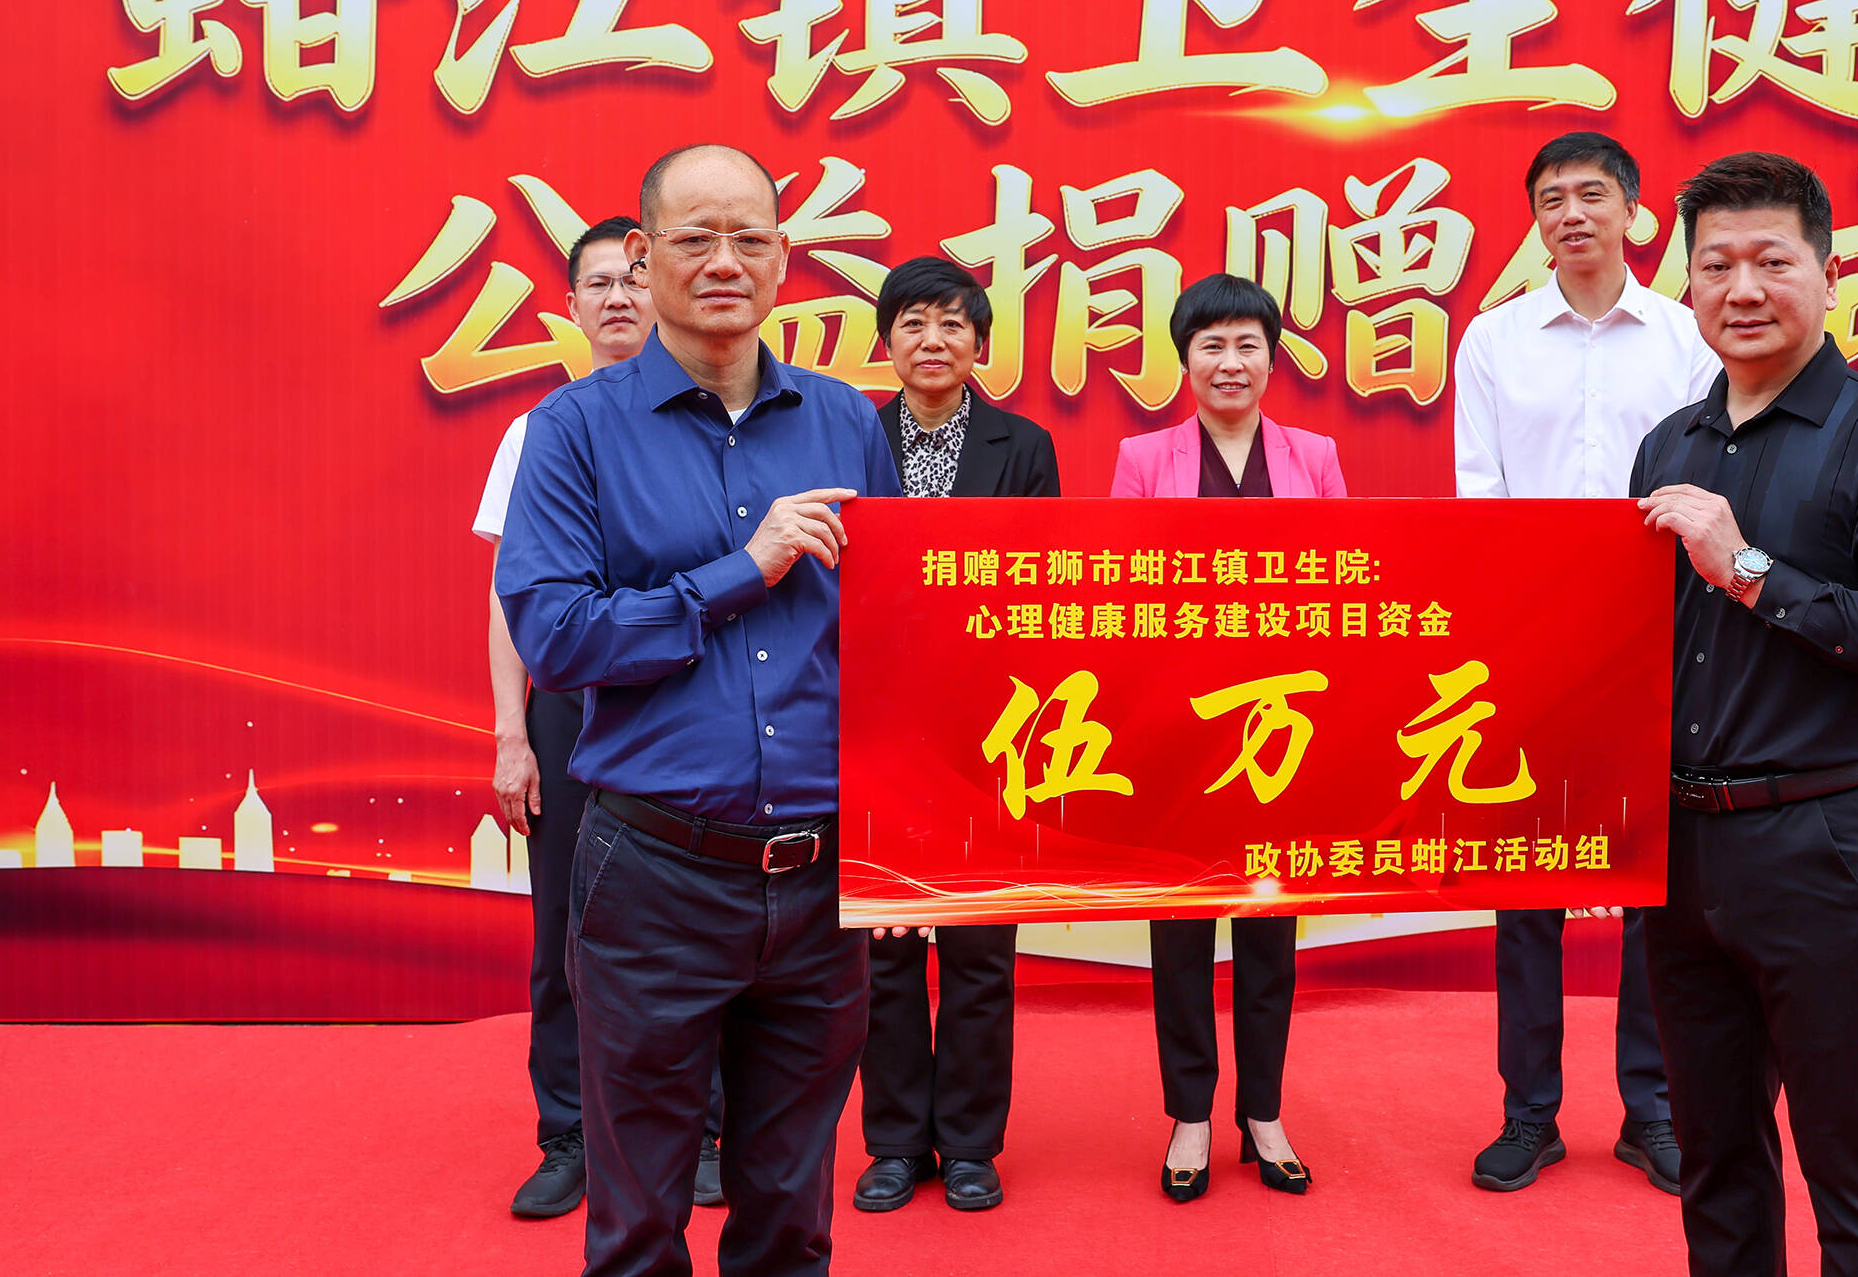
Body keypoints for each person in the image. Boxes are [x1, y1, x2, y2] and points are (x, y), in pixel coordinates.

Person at [497, 143, 900, 1277]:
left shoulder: (844, 422)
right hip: (654, 874)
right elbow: (557, 637)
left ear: (784, 257)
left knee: (791, 1216)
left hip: (821, 881)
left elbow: (890, 646)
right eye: (695, 239)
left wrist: (909, 851)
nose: (725, 262)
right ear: (643, 254)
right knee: (637, 1218)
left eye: (749, 239)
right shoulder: (573, 430)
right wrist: (743, 568)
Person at [1631, 151, 1858, 1277]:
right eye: (1715, 264)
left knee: (1851, 1160)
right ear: (1688, 284)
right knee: (1714, 1157)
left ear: (1829, 277)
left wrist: (1748, 570)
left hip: (1827, 846)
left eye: (1771, 261)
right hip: (1681, 852)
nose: (1742, 288)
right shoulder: (1669, 445)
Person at [1451, 130, 1713, 1197]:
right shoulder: (1494, 340)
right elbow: (1479, 494)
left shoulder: (1686, 337)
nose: (1572, 213)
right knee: (1529, 883)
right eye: (1551, 199)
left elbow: (1710, 477)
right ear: (1536, 221)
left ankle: (1652, 1110)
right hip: (1536, 642)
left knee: (1656, 884)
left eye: (1592, 194)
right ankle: (1530, 1112)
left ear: (1633, 213)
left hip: (1669, 635)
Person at [1111, 272, 1344, 1202]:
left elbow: (1345, 582)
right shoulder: (1142, 457)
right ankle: (1190, 1114)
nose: (1231, 362)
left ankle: (1265, 1112)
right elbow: (1123, 589)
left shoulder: (1315, 454)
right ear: (1186, 360)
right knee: (1179, 929)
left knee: (1269, 927)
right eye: (1212, 345)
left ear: (1272, 359)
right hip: (1182, 728)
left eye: (1248, 344)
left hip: (1284, 727)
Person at [852, 258, 1060, 1217]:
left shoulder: (1025, 446)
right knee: (885, 945)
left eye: (950, 325)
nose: (931, 341)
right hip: (878, 726)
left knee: (980, 947)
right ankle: (896, 1143)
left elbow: (1045, 585)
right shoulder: (850, 437)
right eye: (913, 324)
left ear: (980, 343)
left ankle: (972, 1143)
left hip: (990, 729)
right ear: (887, 342)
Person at [473, 216, 668, 1217]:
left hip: (682, 701)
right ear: (572, 307)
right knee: (565, 927)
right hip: (570, 708)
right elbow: (509, 592)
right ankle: (569, 1134)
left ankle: (698, 1127)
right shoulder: (537, 430)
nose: (619, 297)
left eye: (636, 279)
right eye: (600, 283)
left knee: (693, 926)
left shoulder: (706, 418)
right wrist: (513, 733)